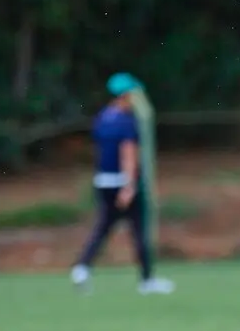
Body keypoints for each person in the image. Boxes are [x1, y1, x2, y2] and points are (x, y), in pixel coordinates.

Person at [70, 72, 174, 295]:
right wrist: (129, 186)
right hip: (122, 183)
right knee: (139, 229)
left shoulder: (102, 118)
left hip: (102, 181)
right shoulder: (127, 121)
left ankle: (81, 268)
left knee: (103, 227)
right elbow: (128, 154)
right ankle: (147, 280)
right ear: (125, 95)